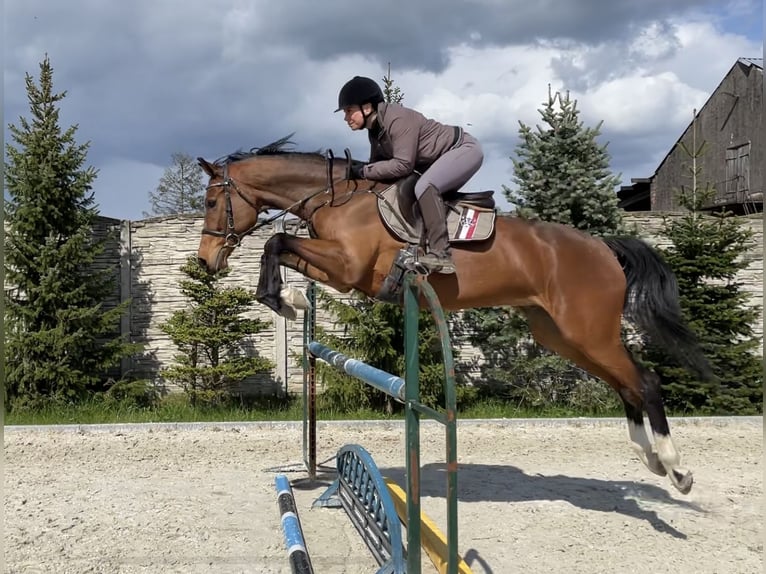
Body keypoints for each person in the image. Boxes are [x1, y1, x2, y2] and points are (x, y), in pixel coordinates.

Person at [336, 75, 484, 274]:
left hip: (463, 150)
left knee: (425, 186)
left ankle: (441, 255)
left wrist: (363, 170)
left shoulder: (397, 119)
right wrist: (359, 171)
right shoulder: (375, 130)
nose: (346, 118)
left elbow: (403, 165)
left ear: (368, 107)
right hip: (439, 158)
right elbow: (377, 169)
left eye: (349, 111)